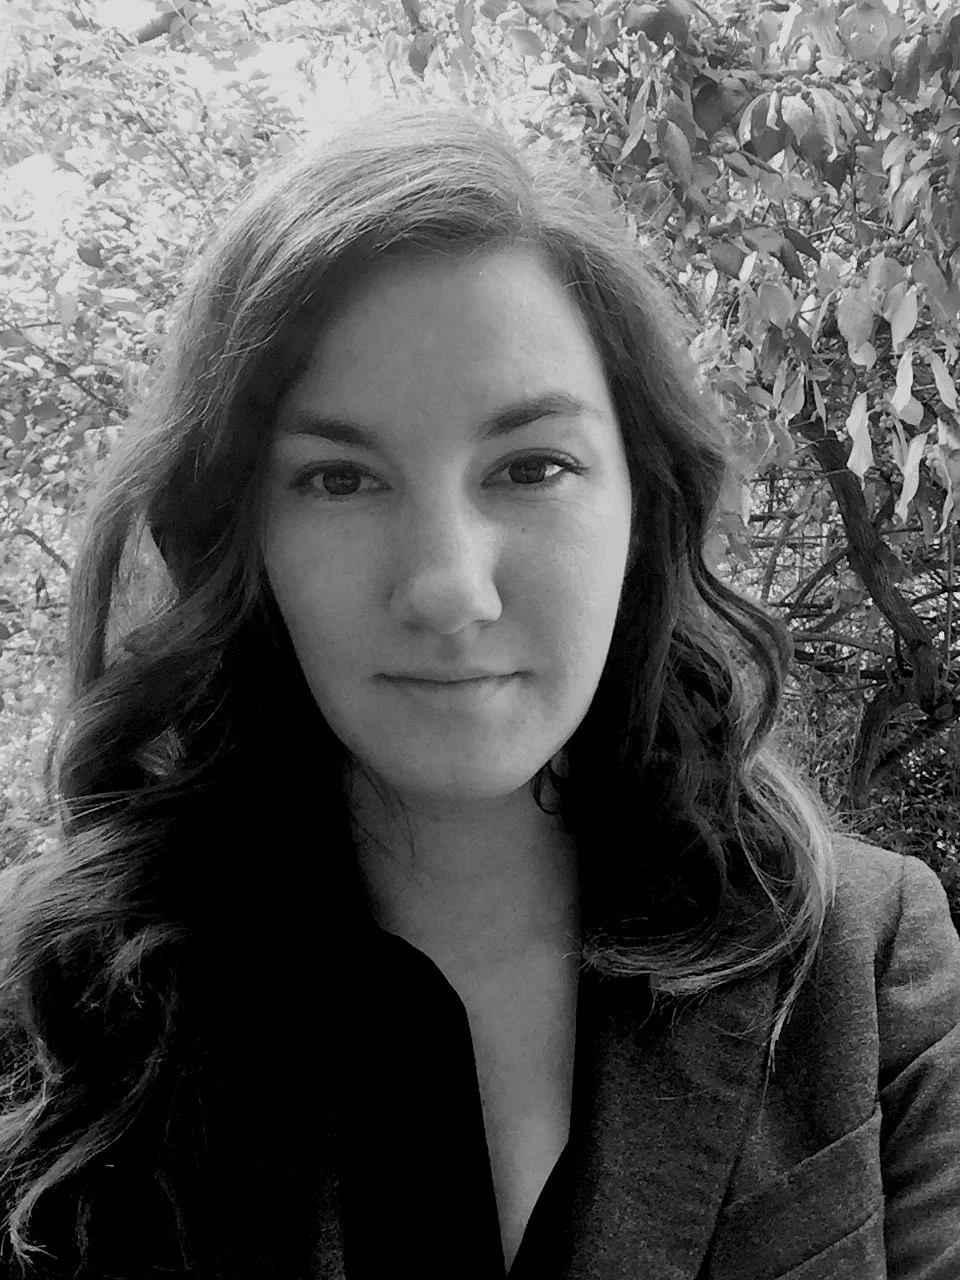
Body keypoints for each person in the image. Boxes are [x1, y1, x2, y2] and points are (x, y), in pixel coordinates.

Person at [0, 99, 957, 1280]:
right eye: (340, 478)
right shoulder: (56, 1000)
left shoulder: (867, 956)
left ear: (644, 503)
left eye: (532, 465)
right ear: (241, 533)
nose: (448, 587)